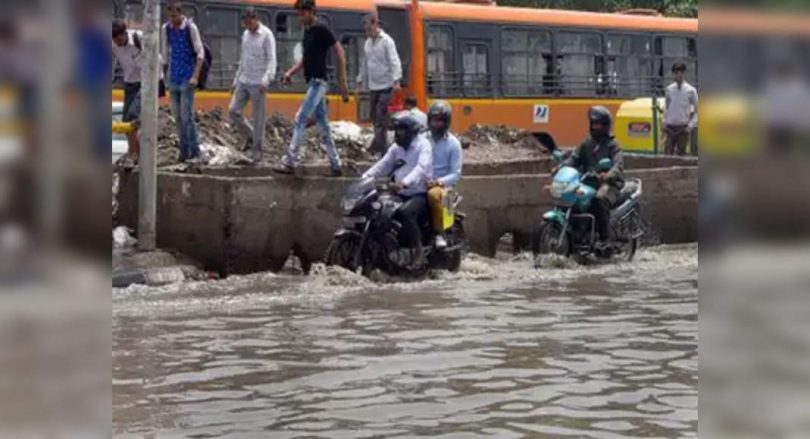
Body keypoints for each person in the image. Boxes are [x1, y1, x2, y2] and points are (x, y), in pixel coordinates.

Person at [276, 0, 349, 177]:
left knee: (301, 118)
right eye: (299, 13)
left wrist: (342, 81)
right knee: (324, 126)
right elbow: (305, 59)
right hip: (312, 83)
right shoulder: (307, 32)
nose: (300, 17)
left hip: (319, 83)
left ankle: (290, 162)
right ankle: (336, 165)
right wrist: (290, 73)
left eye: (303, 13)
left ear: (312, 11)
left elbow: (339, 51)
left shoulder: (321, 29)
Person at [362, 112, 432, 267]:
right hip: (398, 192)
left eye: (401, 131)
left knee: (404, 213)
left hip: (419, 193)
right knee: (379, 210)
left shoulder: (423, 145)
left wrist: (404, 182)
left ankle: (419, 251)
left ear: (411, 133)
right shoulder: (396, 147)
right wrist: (365, 178)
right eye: (396, 131)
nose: (397, 134)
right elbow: (383, 165)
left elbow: (421, 168)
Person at [565, 106, 624, 249]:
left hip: (610, 185)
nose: (595, 127)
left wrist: (608, 175)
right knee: (572, 198)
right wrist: (560, 168)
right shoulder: (586, 143)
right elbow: (573, 159)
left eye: (598, 124)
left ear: (605, 125)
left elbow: (618, 165)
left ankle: (605, 239)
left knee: (599, 199)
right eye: (593, 124)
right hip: (588, 183)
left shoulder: (612, 144)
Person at [229, 8, 276, 164]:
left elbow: (271, 60)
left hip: (258, 83)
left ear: (255, 19)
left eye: (249, 23)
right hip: (244, 80)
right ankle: (250, 136)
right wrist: (235, 81)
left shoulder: (267, 35)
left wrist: (266, 80)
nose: (248, 26)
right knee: (233, 110)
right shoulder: (246, 35)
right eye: (245, 24)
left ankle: (257, 153)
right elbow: (243, 59)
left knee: (258, 119)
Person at [161, 0, 205, 163]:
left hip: (187, 77)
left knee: (187, 117)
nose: (172, 18)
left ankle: (196, 152)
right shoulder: (166, 29)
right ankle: (184, 151)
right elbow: (165, 55)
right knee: (177, 117)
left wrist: (195, 76)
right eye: (170, 15)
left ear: (180, 12)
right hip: (173, 77)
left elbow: (200, 53)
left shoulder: (190, 28)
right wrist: (163, 77)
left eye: (175, 15)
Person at [357, 13, 402, 157]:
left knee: (380, 118)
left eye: (369, 29)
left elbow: (394, 60)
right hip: (373, 86)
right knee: (376, 119)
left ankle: (380, 151)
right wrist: (360, 80)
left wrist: (396, 80)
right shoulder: (367, 43)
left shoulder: (387, 41)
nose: (367, 32)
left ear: (376, 25)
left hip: (386, 86)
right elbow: (365, 64)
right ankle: (384, 150)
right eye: (365, 30)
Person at [426, 100, 462, 249]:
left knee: (434, 196)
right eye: (434, 120)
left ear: (447, 122)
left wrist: (438, 182)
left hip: (444, 188)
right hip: (421, 182)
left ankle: (439, 233)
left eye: (440, 121)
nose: (436, 124)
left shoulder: (453, 144)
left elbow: (456, 174)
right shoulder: (421, 140)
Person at [112, 19, 144, 162]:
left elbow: (156, 59)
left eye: (119, 39)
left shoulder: (139, 39)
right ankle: (133, 152)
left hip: (146, 82)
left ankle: (136, 153)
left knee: (133, 116)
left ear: (125, 34)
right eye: (115, 40)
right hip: (130, 82)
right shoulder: (112, 45)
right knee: (126, 121)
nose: (118, 44)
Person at [663, 62, 698, 156]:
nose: (679, 75)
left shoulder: (691, 90)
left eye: (681, 72)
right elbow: (667, 107)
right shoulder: (669, 89)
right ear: (673, 74)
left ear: (684, 73)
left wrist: (690, 126)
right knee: (667, 153)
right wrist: (664, 122)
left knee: (681, 156)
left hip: (683, 128)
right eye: (676, 72)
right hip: (670, 127)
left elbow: (697, 110)